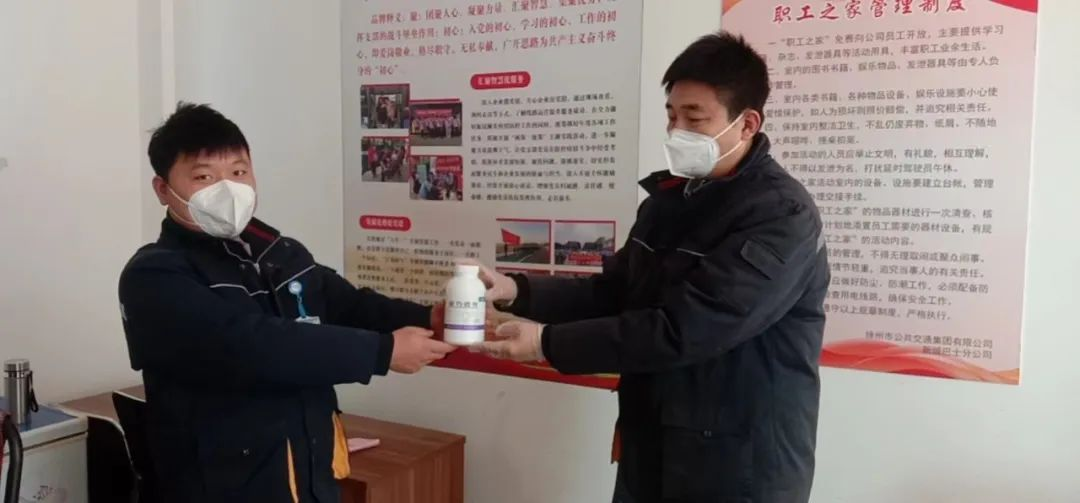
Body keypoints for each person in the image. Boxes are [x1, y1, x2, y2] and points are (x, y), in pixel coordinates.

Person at [477, 32, 830, 503]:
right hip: (653, 440)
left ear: (747, 124)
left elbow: (686, 329)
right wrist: (517, 290)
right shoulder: (670, 200)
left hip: (739, 461)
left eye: (694, 118)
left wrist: (546, 343)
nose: (676, 131)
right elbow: (616, 292)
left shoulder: (781, 216)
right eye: (671, 115)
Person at [118, 103, 459, 502]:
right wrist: (383, 353)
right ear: (163, 189)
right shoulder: (154, 276)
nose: (228, 188)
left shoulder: (280, 253)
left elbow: (348, 305)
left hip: (307, 476)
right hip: (222, 487)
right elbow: (252, 345)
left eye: (238, 172)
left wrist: (430, 316)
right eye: (204, 177)